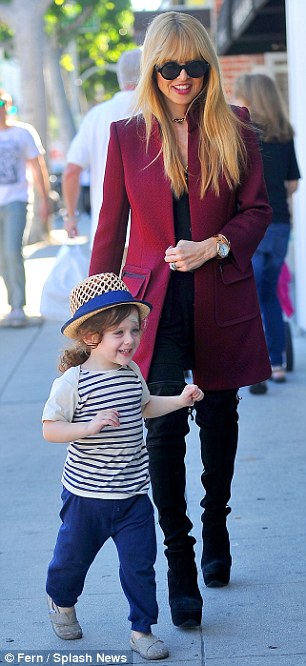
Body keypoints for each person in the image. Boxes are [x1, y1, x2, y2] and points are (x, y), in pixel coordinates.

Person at [89, 11, 272, 628]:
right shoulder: (125, 135)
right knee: (164, 426)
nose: (182, 77)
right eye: (169, 67)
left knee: (220, 414)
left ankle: (216, 522)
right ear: (152, 68)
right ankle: (180, 560)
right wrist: (95, 318)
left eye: (194, 65)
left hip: (222, 291)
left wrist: (214, 244)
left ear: (207, 67)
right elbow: (109, 231)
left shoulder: (237, 129)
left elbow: (257, 211)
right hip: (152, 306)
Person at [42, 272, 203, 658]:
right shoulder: (72, 383)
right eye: (119, 333)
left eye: (134, 329)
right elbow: (51, 429)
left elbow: (145, 407)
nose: (130, 340)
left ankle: (142, 630)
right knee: (70, 562)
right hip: (86, 498)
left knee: (140, 567)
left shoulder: (132, 374)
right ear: (90, 336)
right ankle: (61, 601)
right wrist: (88, 425)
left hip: (132, 496)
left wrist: (180, 400)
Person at [233, 73, 301, 393]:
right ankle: (275, 363)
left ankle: (258, 367)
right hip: (281, 224)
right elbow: (292, 184)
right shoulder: (285, 135)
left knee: (252, 294)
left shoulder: (244, 134)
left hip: (253, 224)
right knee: (269, 293)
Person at [62, 48, 141, 245]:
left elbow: (72, 170)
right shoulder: (162, 109)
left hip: (107, 231)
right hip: (155, 236)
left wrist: (71, 216)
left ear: (120, 77)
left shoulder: (96, 115)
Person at [0, 88, 49, 326]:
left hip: (17, 200)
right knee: (1, 256)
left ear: (7, 105)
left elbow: (37, 167)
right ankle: (11, 304)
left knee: (12, 250)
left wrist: (44, 200)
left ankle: (18, 306)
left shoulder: (22, 132)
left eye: (1, 102)